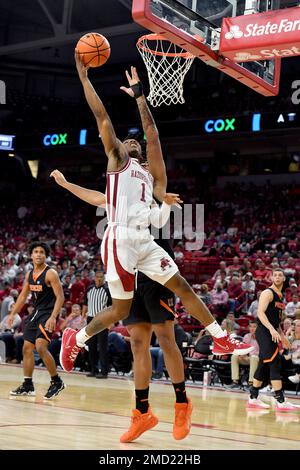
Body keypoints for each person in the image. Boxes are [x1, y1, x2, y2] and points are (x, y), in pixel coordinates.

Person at [59, 58, 253, 431]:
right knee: (119, 313)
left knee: (180, 284)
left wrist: (141, 99)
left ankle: (220, 337)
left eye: (136, 142)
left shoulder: (153, 176)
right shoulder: (117, 160)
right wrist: (85, 78)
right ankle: (77, 337)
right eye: (127, 140)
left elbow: (154, 137)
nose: (131, 140)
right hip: (117, 239)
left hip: (144, 242)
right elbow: (102, 118)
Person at [8, 242, 65, 399]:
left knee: (40, 346)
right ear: (31, 255)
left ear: (46, 256)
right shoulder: (29, 275)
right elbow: (22, 296)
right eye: (36, 252)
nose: (39, 254)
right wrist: (13, 313)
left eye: (42, 252)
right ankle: (28, 384)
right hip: (36, 313)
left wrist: (54, 317)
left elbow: (60, 297)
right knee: (27, 348)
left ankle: (56, 381)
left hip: (49, 313)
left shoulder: (50, 273)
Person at [247, 268, 299, 411]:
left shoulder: (280, 296)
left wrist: (283, 337)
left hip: (272, 331)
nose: (277, 277)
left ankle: (252, 398)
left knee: (264, 364)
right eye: (274, 275)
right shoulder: (267, 292)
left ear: (284, 279)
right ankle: (281, 401)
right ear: (271, 278)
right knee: (275, 362)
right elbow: (260, 313)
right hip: (264, 331)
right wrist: (270, 329)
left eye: (280, 275)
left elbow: (276, 321)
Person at [82, 270, 112, 378]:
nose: (99, 279)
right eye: (97, 277)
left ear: (104, 278)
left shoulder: (107, 290)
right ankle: (93, 370)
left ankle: (104, 372)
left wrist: (110, 323)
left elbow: (111, 308)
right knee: (92, 346)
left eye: (101, 277)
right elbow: (85, 304)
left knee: (103, 347)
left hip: (102, 320)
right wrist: (82, 317)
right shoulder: (89, 289)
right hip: (90, 319)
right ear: (94, 277)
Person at [228, 321, 259, 389]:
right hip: (248, 358)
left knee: (253, 357)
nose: (252, 328)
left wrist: (249, 355)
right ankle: (235, 382)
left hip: (257, 359)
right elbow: (243, 348)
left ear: (258, 328)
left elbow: (263, 351)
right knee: (234, 356)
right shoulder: (247, 336)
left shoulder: (262, 337)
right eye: (250, 326)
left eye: (254, 326)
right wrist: (242, 354)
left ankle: (251, 383)